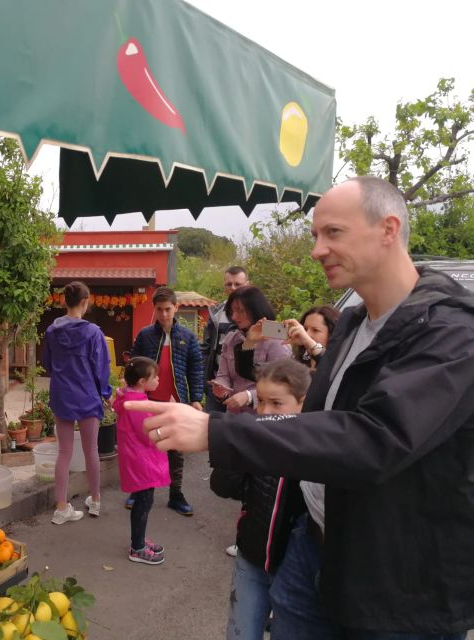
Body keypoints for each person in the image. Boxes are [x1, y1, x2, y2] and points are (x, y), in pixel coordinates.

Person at [127, 175, 474, 638]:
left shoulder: (451, 332)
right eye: (315, 235)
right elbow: (318, 420)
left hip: (397, 584)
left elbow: (372, 439)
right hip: (310, 547)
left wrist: (217, 430)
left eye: (333, 233)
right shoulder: (352, 322)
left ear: (388, 229)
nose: (317, 250)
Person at [211, 359, 311, 640]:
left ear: (303, 402)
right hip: (251, 559)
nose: (265, 411)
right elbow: (222, 487)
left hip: (295, 570)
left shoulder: (315, 451)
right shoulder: (255, 437)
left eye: (276, 403)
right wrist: (237, 445)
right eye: (261, 401)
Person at [128, 286, 204, 516]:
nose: (163, 314)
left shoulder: (187, 337)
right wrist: (131, 391)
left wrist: (196, 399)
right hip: (147, 400)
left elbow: (195, 369)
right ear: (154, 309)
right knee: (143, 447)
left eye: (167, 309)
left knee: (175, 450)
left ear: (176, 308)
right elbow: (133, 365)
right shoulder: (145, 335)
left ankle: (176, 494)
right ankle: (139, 490)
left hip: (176, 400)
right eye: (159, 309)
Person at [42, 281, 112, 525]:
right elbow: (101, 368)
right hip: (87, 396)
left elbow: (47, 364)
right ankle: (96, 500)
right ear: (85, 302)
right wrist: (106, 393)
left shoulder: (52, 331)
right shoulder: (93, 332)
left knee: (63, 451)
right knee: (91, 450)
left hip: (62, 395)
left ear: (64, 301)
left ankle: (61, 508)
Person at [114, 356, 170, 565]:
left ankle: (138, 539)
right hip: (142, 460)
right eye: (155, 377)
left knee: (142, 500)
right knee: (144, 502)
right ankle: (137, 547)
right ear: (142, 382)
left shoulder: (129, 399)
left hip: (136, 458)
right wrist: (168, 428)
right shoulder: (138, 405)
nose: (158, 381)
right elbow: (149, 433)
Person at [209, 286, 292, 414]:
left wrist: (249, 396)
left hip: (263, 416)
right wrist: (221, 388)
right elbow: (223, 375)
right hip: (234, 414)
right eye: (232, 311)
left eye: (240, 311)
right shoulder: (232, 339)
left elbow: (281, 384)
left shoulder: (276, 338)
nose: (235, 317)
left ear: (255, 309)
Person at [201, 266, 249, 412]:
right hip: (217, 384)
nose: (233, 288)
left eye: (238, 284)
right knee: (212, 428)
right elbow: (205, 348)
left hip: (246, 387)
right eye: (229, 284)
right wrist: (204, 377)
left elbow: (279, 338)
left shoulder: (256, 311)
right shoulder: (216, 313)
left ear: (247, 284)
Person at [283, 305, 341, 371]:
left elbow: (328, 361)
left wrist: (310, 344)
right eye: (305, 329)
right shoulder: (299, 360)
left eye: (315, 330)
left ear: (332, 333)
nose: (306, 334)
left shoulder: (340, 362)